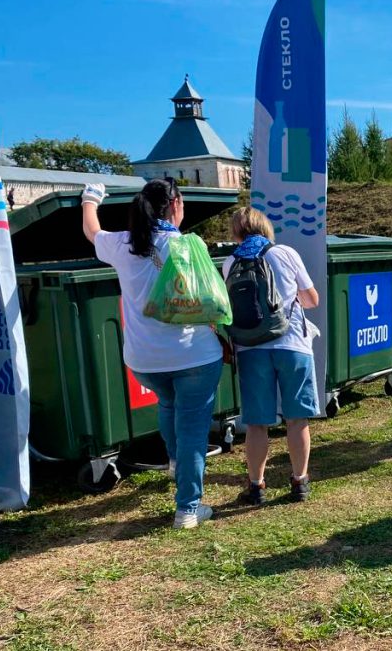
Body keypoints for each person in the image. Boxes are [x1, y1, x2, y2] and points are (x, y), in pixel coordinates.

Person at [80, 179, 222, 529]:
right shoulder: (188, 246)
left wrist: (90, 198)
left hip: (144, 360)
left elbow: (91, 229)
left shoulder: (122, 244)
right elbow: (211, 302)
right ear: (175, 204)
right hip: (194, 356)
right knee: (192, 427)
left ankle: (175, 463)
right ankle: (188, 507)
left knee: (168, 405)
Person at [222, 207, 320, 505]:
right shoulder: (285, 253)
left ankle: (256, 486)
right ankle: (299, 482)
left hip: (251, 348)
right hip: (292, 345)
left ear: (236, 232)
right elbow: (311, 299)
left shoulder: (230, 262)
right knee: (296, 418)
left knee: (257, 423)